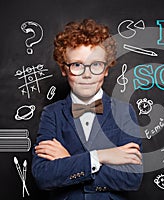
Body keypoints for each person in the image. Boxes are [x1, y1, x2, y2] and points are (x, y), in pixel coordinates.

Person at [31, 18, 143, 200]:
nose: (87, 74)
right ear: (63, 69)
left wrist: (69, 161)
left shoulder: (124, 112)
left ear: (106, 69)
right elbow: (43, 176)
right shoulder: (52, 114)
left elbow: (131, 178)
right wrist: (99, 157)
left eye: (96, 64)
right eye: (77, 65)